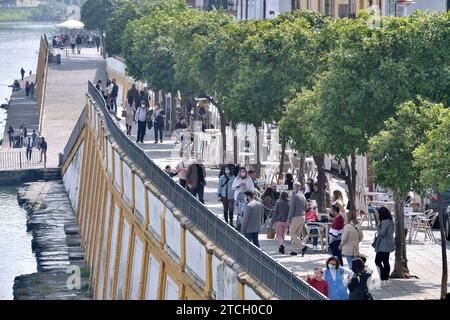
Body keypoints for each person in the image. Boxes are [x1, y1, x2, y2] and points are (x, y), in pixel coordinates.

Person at [374, 207, 395, 287]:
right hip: (388, 244)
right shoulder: (390, 221)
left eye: (379, 213)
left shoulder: (385, 222)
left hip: (384, 244)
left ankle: (383, 278)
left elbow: (381, 233)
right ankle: (386, 279)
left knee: (377, 261)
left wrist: (378, 226)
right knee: (386, 261)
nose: (378, 214)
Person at [288, 182, 308, 256]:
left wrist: (289, 218)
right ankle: (295, 251)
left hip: (296, 216)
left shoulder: (294, 196)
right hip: (302, 216)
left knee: (292, 233)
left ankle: (303, 246)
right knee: (297, 234)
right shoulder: (303, 196)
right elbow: (305, 207)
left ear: (295, 187)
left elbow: (291, 208)